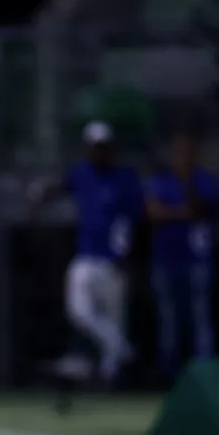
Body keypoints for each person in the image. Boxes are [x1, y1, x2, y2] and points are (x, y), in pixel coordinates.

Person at [30, 120, 142, 386]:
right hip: (87, 256)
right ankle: (124, 349)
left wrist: (126, 256)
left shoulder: (124, 179)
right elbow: (61, 186)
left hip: (114, 261)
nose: (99, 152)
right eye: (94, 147)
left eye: (103, 147)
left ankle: (110, 378)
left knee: (115, 318)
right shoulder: (82, 174)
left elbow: (131, 222)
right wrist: (40, 194)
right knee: (79, 310)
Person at [145, 131, 219, 383]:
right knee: (169, 321)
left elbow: (200, 209)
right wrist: (183, 213)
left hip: (197, 262)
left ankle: (205, 375)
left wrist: (186, 185)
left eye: (187, 153)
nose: (183, 157)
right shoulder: (161, 181)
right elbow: (154, 214)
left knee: (199, 319)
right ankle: (169, 377)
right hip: (166, 260)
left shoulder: (204, 181)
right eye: (178, 153)